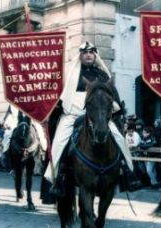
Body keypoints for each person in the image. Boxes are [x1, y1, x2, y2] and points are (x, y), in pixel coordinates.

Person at [44, 41, 136, 197]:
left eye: (91, 53)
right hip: (72, 114)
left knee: (119, 138)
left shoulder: (102, 74)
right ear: (80, 55)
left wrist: (117, 107)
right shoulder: (71, 73)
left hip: (97, 115)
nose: (88, 55)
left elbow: (111, 94)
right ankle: (57, 177)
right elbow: (59, 93)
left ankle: (127, 172)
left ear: (95, 55)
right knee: (59, 142)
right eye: (85, 52)